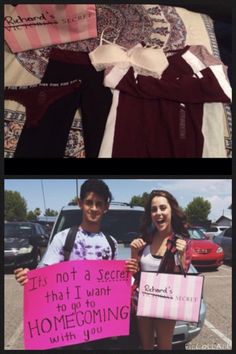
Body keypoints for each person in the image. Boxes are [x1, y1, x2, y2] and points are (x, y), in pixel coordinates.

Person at [14, 179, 138, 349]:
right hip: (69, 330)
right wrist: (29, 276)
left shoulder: (111, 243)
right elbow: (44, 275)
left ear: (105, 207)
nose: (93, 208)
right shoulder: (63, 238)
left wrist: (129, 274)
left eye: (98, 204)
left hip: (102, 328)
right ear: (80, 203)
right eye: (89, 203)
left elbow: (116, 284)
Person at [130, 190, 192, 350]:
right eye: (154, 209)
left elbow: (185, 279)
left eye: (163, 208)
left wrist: (182, 255)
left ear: (172, 210)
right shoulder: (145, 239)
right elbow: (135, 274)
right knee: (146, 347)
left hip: (166, 304)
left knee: (165, 347)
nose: (158, 213)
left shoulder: (181, 242)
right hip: (143, 302)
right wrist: (133, 253)